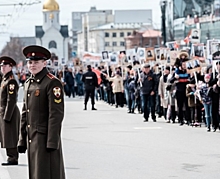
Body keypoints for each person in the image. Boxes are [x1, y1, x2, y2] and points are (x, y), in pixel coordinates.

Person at [17, 45, 65, 179]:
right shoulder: (28, 83)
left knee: (48, 173)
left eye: (36, 62)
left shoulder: (52, 83)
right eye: (30, 62)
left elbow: (56, 114)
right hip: (32, 137)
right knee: (36, 173)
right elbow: (25, 113)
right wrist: (22, 139)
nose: (32, 65)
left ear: (44, 63)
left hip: (45, 138)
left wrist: (52, 141)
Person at [0, 56, 20, 166]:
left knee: (10, 135)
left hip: (9, 112)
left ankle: (13, 157)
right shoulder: (5, 78)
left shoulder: (11, 80)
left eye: (5, 66)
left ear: (10, 67)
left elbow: (11, 100)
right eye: (1, 66)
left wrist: (7, 116)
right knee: (6, 135)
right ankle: (10, 156)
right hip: (3, 111)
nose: (2, 67)